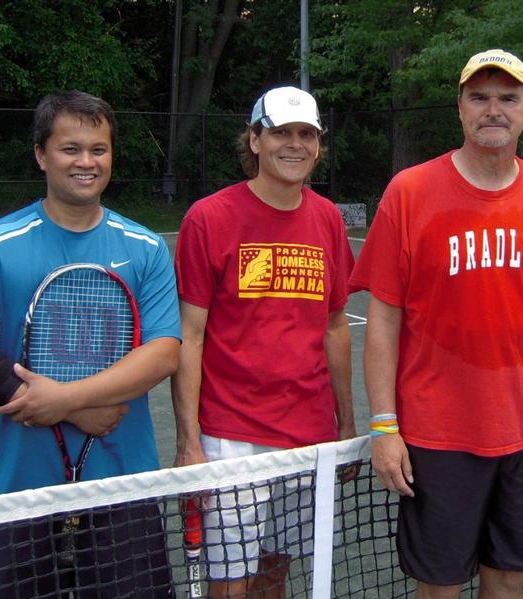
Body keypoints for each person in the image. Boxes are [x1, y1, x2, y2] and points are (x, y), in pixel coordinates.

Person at [349, 49, 523, 599]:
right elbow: (382, 324)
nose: (494, 110)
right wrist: (385, 427)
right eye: (480, 97)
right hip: (437, 436)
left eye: (508, 98)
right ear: (459, 108)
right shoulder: (409, 192)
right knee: (440, 586)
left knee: (508, 578)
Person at [0, 90, 181, 597]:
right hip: (18, 487)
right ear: (41, 155)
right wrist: (77, 413)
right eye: (71, 148)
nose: (86, 162)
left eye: (99, 149)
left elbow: (163, 351)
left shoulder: (146, 248)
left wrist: (67, 400)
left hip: (123, 483)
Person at [171, 85, 356, 599]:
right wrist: (189, 444)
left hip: (311, 435)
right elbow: (190, 335)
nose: (293, 144)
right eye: (279, 133)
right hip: (232, 435)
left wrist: (346, 424)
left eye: (306, 134)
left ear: (318, 146)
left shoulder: (328, 219)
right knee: (231, 584)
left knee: (276, 571)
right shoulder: (208, 219)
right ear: (254, 140)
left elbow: (336, 326)